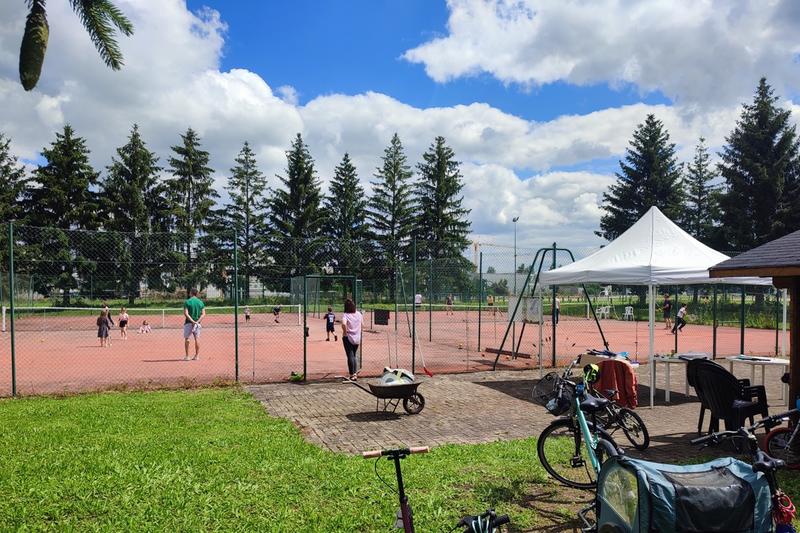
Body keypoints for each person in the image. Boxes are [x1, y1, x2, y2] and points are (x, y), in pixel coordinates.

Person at [341, 298, 362, 380]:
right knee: (354, 355)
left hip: (348, 337)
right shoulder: (359, 314)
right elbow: (362, 324)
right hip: (357, 337)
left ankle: (352, 374)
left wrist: (345, 332)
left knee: (350, 355)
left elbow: (343, 324)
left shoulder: (346, 315)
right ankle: (355, 373)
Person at [183, 288, 206, 360]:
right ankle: (197, 356)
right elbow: (203, 314)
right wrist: (196, 321)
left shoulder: (187, 302)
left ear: (191, 293)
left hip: (188, 323)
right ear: (196, 294)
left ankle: (187, 356)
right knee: (197, 339)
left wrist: (192, 321)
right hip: (197, 323)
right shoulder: (200, 302)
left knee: (187, 338)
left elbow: (186, 313)